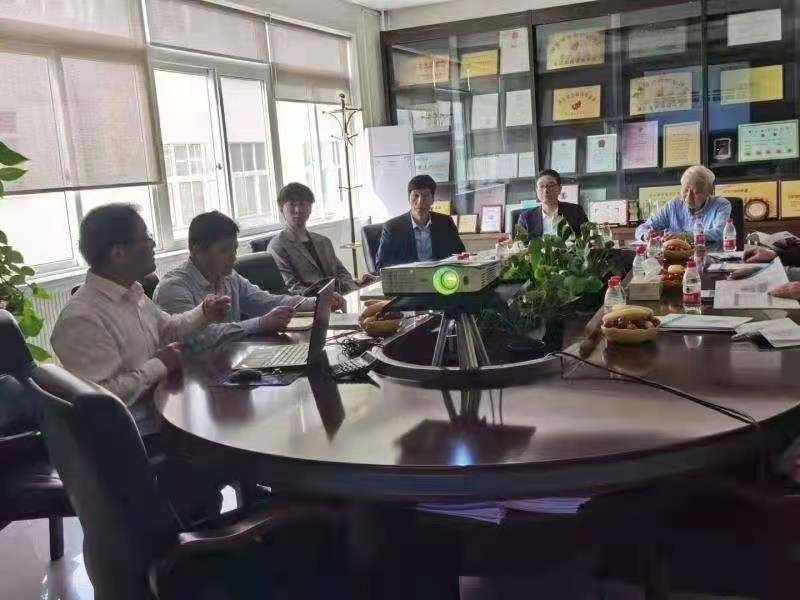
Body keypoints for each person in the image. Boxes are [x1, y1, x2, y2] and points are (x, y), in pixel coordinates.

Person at [51, 204, 230, 436]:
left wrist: (204, 313)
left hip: (165, 415)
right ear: (118, 252)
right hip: (136, 436)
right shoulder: (81, 317)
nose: (153, 243)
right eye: (146, 237)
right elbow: (103, 397)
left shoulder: (133, 291)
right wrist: (160, 364)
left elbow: (167, 328)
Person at [154, 211, 345, 351]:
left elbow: (268, 302)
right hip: (191, 378)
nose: (233, 257)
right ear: (196, 249)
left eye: (235, 249)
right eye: (224, 250)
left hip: (231, 364)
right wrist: (260, 324)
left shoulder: (229, 277)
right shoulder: (173, 288)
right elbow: (198, 338)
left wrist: (318, 302)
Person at [268, 182, 377, 295]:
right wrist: (325, 297)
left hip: (340, 299)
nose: (297, 210)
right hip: (311, 303)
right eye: (292, 204)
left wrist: (357, 287)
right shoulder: (277, 246)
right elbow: (292, 288)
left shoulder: (323, 241)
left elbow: (343, 274)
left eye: (302, 204)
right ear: (281, 209)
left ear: (310, 208)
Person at [375, 174, 465, 270]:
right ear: (409, 198)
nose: (420, 201)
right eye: (415, 195)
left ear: (433, 199)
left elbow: (460, 255)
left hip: (439, 275)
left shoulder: (445, 222)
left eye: (425, 196)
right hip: (408, 277)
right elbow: (381, 265)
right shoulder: (393, 228)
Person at [635, 165, 731, 250]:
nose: (689, 197)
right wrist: (646, 234)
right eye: (685, 190)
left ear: (709, 192)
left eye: (696, 193)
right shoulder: (673, 205)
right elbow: (643, 227)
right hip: (676, 258)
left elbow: (719, 232)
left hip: (709, 256)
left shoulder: (721, 205)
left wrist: (684, 236)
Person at [517, 169, 588, 237]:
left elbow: (587, 238)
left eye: (550, 186)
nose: (546, 190)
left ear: (559, 189)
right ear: (537, 190)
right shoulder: (526, 218)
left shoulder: (576, 211)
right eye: (541, 186)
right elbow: (520, 244)